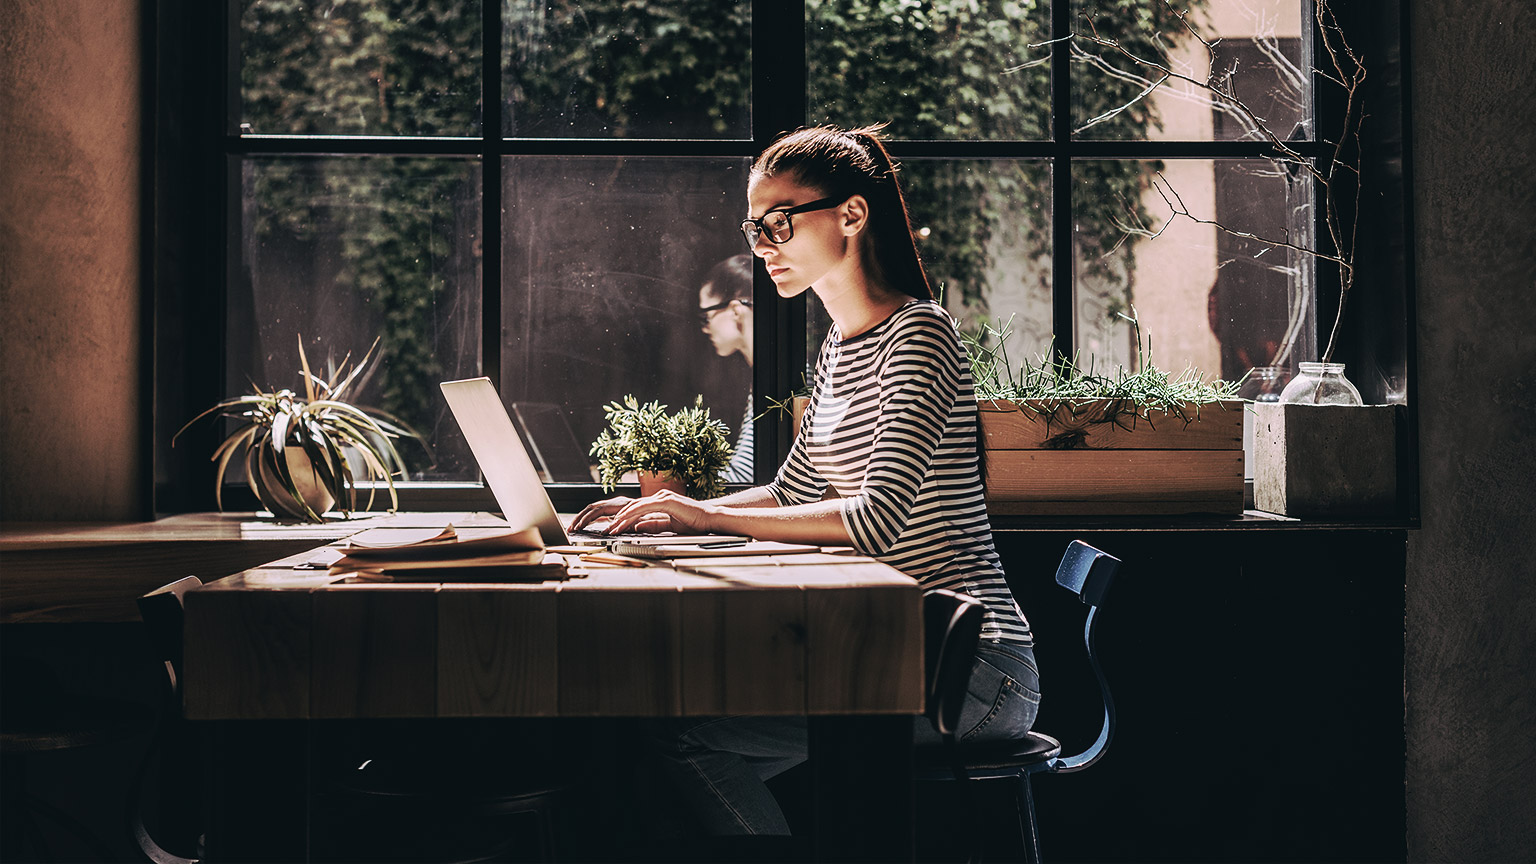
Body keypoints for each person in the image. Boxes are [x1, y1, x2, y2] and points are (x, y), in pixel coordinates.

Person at [572, 124, 1039, 836]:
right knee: (656, 732)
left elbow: (875, 518)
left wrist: (709, 519)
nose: (762, 244)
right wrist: (673, 510)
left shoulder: (920, 333)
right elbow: (794, 491)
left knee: (683, 738)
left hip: (974, 671)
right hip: (893, 649)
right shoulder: (840, 345)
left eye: (779, 222)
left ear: (851, 215)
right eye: (754, 226)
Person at [698, 254, 755, 484]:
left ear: (734, 311)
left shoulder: (776, 381)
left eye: (706, 316)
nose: (705, 328)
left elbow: (745, 478)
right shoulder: (765, 377)